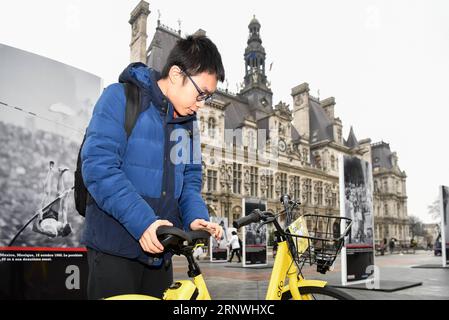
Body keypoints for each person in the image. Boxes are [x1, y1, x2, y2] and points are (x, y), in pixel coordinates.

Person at [81, 35, 225, 299]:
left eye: (209, 97)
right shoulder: (119, 98)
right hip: (114, 249)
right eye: (201, 93)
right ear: (175, 74)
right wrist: (144, 222)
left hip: (161, 253)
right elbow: (98, 168)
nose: (202, 104)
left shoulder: (188, 124)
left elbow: (190, 181)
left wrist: (195, 216)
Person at [33, 161, 72, 238]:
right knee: (59, 195)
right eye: (62, 223)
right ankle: (61, 173)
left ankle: (50, 171)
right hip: (53, 215)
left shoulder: (53, 233)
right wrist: (66, 196)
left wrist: (38, 217)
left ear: (61, 230)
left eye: (61, 225)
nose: (61, 223)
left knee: (47, 193)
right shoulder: (65, 224)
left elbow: (36, 229)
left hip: (43, 216)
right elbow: (64, 209)